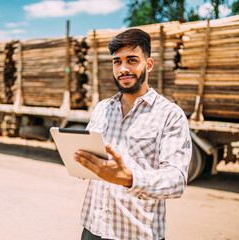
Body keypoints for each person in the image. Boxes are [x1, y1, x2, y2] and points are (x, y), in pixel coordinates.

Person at [74, 28, 192, 240]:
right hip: (93, 227)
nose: (123, 69)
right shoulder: (102, 109)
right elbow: (93, 161)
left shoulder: (170, 115)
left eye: (131, 60)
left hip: (136, 233)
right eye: (117, 62)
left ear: (148, 64)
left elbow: (176, 180)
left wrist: (129, 178)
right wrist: (81, 162)